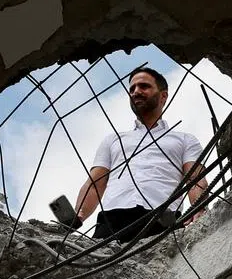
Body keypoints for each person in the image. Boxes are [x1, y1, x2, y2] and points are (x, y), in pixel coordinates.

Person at [71, 66, 208, 243]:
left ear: (163, 96)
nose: (136, 92)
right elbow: (95, 184)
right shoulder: (113, 140)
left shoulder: (185, 140)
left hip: (162, 220)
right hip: (112, 222)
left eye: (144, 86)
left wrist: (199, 208)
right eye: (132, 89)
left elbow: (195, 179)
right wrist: (79, 214)